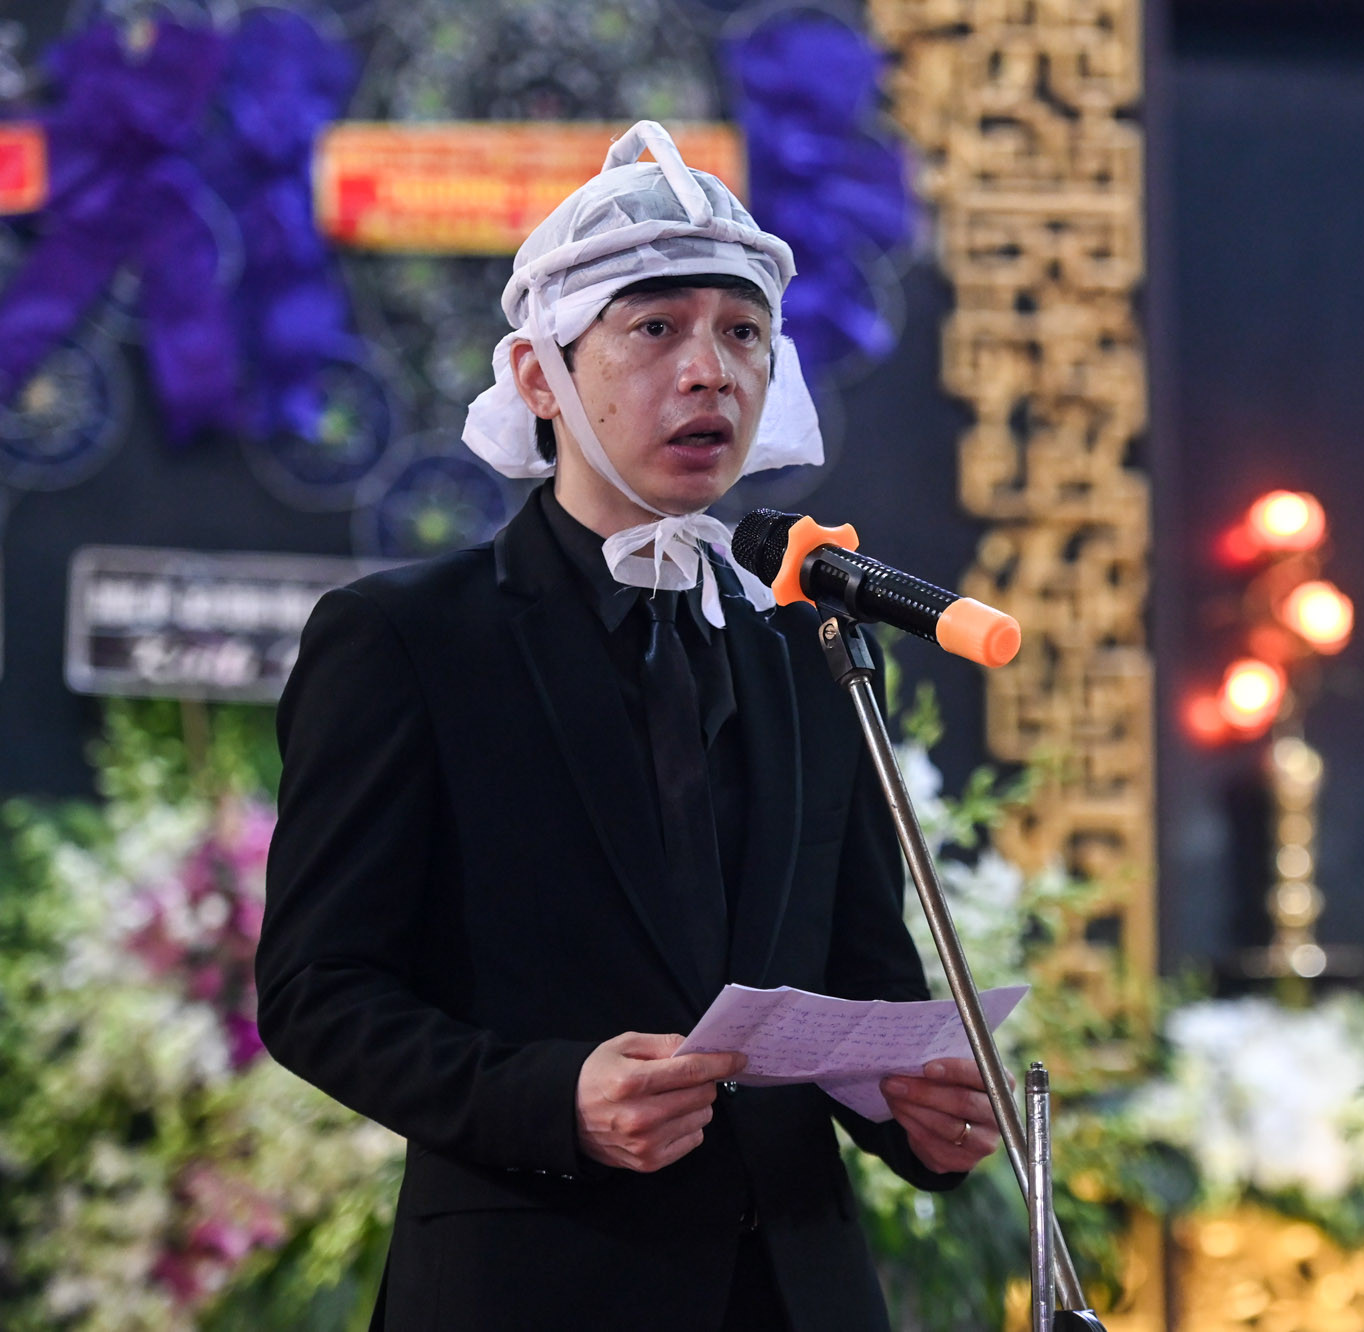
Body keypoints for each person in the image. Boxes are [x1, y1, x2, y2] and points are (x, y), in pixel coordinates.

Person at [255, 122, 1003, 1331]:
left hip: (798, 1293)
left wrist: (919, 1117)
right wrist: (553, 1099)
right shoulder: (406, 639)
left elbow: (861, 979)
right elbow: (317, 990)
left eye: (742, 332)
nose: (710, 371)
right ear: (536, 375)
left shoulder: (804, 643)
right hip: (533, 1284)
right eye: (654, 328)